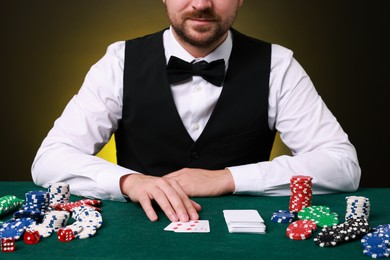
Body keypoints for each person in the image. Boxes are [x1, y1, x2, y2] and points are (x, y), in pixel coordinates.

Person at [32, 0, 361, 223]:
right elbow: (50, 159)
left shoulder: (278, 65)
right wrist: (128, 182)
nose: (202, 3)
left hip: (245, 245)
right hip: (140, 236)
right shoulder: (118, 62)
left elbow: (342, 165)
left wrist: (227, 179)